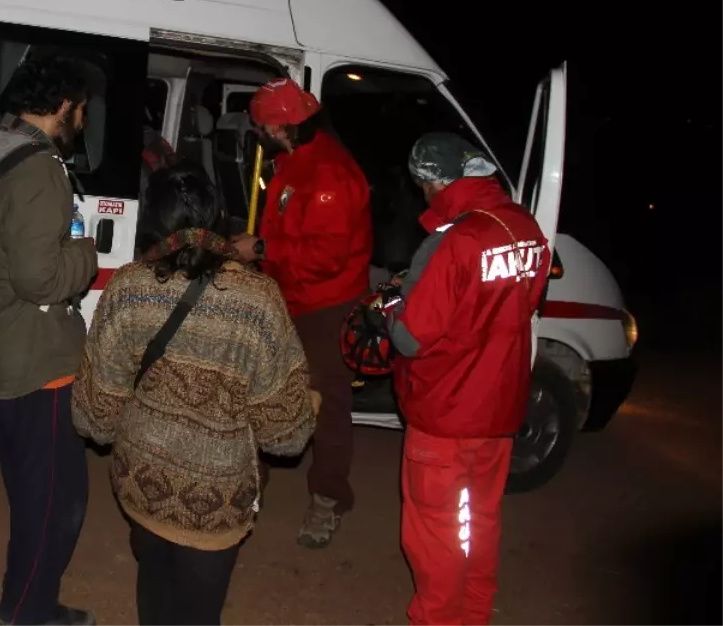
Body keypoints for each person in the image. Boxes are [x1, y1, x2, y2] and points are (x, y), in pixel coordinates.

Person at [73, 164, 317, 626]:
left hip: (141, 484)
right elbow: (286, 437)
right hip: (216, 504)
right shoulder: (259, 300)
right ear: (218, 218)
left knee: (155, 592)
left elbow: (94, 418)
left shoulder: (127, 288)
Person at [381, 133, 550, 626]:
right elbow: (525, 300)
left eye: (423, 185)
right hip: (499, 407)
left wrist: (391, 305)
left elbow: (411, 337)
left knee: (435, 534)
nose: (423, 195)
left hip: (447, 413)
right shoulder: (524, 226)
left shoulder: (454, 242)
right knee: (476, 522)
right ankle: (473, 616)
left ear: (436, 181)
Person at [0, 54, 99, 626]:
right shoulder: (41, 169)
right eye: (82, 109)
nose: (84, 121)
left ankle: (27, 600)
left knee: (31, 490)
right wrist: (86, 255)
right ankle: (28, 611)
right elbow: (39, 277)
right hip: (34, 357)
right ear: (63, 105)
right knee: (56, 502)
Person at [230, 77, 373, 548]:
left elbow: (326, 256)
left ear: (281, 126)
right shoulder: (294, 162)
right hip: (288, 297)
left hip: (327, 305)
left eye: (260, 125)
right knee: (265, 391)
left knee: (327, 405)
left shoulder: (330, 172)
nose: (257, 133)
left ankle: (330, 499)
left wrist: (263, 248)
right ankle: (251, 482)